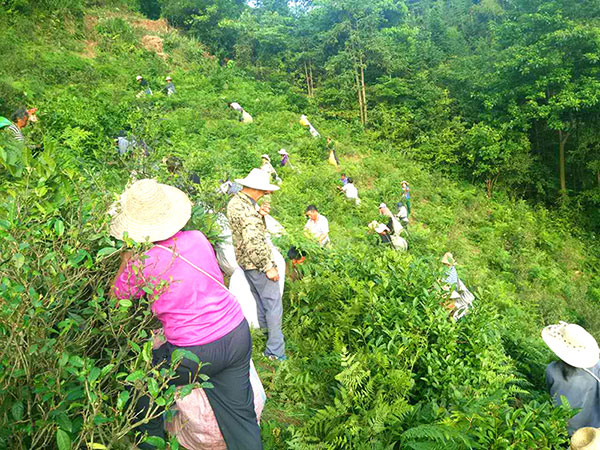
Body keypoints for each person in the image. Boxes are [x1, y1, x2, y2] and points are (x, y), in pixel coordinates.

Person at [109, 179, 262, 450]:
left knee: (142, 385)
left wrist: (125, 259)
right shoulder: (198, 239)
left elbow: (114, 299)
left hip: (194, 352)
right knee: (242, 417)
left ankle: (150, 444)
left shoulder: (141, 262)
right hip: (236, 333)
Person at [227, 169, 286, 361]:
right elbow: (253, 241)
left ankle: (264, 336)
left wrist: (259, 215)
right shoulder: (248, 212)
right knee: (273, 303)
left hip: (245, 262)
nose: (263, 194)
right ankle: (275, 351)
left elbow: (245, 230)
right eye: (262, 191)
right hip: (257, 263)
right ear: (256, 189)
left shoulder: (236, 203)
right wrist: (268, 266)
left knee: (262, 302)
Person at [543, 322, 600, 436]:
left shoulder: (551, 370)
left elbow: (550, 395)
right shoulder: (597, 368)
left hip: (562, 429)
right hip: (593, 431)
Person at [441, 252, 474, 320]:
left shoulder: (448, 272)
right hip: (452, 292)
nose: (444, 265)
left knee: (446, 310)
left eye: (445, 264)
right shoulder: (452, 269)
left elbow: (444, 283)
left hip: (449, 293)